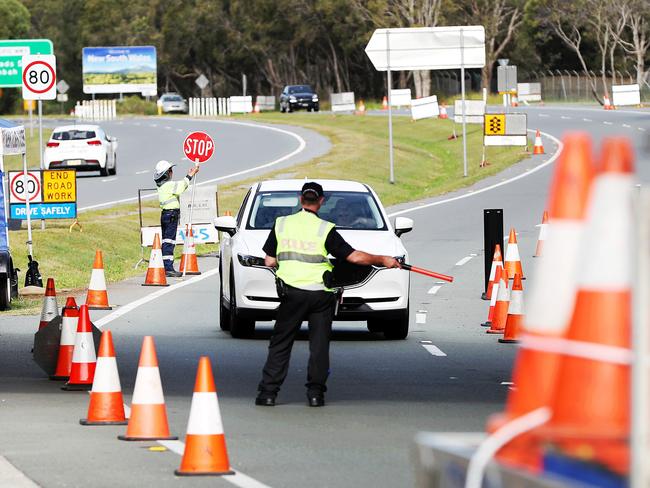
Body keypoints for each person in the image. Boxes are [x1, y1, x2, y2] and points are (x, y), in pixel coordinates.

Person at [256, 181, 400, 408]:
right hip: (320, 295)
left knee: (280, 344)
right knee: (319, 346)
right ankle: (315, 395)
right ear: (321, 201)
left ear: (300, 199)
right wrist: (383, 260)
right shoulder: (325, 229)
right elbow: (354, 258)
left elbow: (269, 260)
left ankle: (268, 394)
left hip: (291, 294)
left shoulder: (282, 224)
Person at [153, 160, 199, 277]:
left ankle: (165, 266)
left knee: (166, 241)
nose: (172, 172)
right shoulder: (168, 185)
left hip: (166, 214)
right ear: (166, 174)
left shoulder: (162, 186)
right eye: (170, 170)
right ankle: (168, 268)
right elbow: (181, 186)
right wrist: (190, 175)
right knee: (169, 241)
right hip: (171, 215)